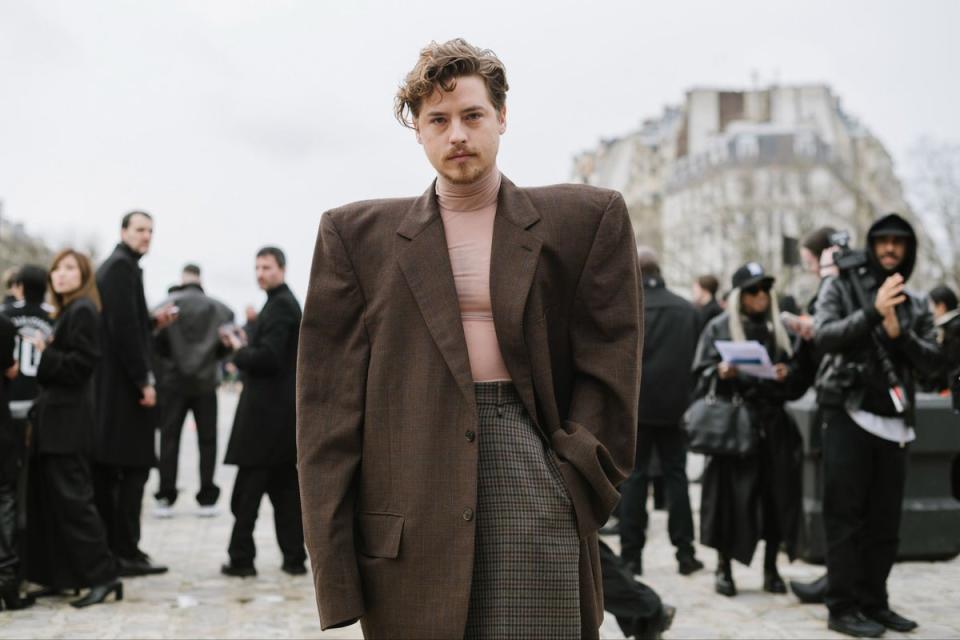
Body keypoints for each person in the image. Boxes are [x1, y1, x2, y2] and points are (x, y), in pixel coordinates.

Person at [297, 39, 642, 638]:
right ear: (419, 132)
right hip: (408, 497)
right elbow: (327, 411)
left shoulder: (586, 220)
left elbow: (614, 363)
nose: (456, 133)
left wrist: (576, 482)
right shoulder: (355, 237)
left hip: (535, 477)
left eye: (472, 115)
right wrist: (333, 568)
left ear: (502, 118)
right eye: (438, 119)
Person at [814, 213, 942, 637]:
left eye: (898, 243)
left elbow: (931, 367)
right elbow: (825, 334)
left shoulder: (919, 302)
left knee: (885, 523)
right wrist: (871, 313)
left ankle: (875, 601)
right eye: (882, 241)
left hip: (897, 424)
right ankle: (842, 606)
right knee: (844, 518)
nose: (890, 248)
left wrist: (897, 330)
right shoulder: (841, 285)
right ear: (872, 245)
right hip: (848, 414)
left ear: (909, 250)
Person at [692, 263, 808, 598]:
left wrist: (788, 374)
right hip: (734, 426)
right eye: (753, 290)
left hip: (773, 425)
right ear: (741, 294)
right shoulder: (718, 327)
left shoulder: (780, 330)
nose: (760, 296)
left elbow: (800, 377)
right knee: (730, 499)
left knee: (776, 498)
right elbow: (699, 374)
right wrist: (720, 372)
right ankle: (724, 566)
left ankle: (771, 567)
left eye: (764, 290)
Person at [24, 249, 121, 608]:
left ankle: (103, 576)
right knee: (52, 503)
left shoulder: (82, 310)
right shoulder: (68, 312)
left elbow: (82, 364)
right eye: (56, 269)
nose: (60, 275)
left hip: (68, 423)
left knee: (74, 502)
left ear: (83, 276)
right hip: (57, 422)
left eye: (69, 269)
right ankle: (60, 577)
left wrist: (45, 353)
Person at [94, 210, 176, 577]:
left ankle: (126, 549)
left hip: (118, 390)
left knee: (129, 473)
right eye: (140, 229)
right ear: (123, 231)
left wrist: (152, 322)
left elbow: (129, 324)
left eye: (151, 231)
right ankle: (123, 552)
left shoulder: (123, 267)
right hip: (123, 392)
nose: (147, 236)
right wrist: (144, 379)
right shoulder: (120, 268)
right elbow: (123, 332)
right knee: (131, 471)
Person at [220, 247, 305, 578]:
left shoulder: (282, 305)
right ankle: (294, 558)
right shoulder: (278, 303)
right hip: (276, 417)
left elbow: (269, 358)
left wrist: (239, 351)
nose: (260, 273)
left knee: (247, 495)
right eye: (256, 267)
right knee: (283, 493)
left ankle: (242, 559)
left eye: (266, 267)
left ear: (281, 269)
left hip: (266, 419)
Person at [619, 248, 702, 577]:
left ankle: (630, 556)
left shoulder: (627, 306)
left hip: (636, 407)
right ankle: (685, 553)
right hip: (676, 408)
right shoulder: (687, 310)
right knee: (676, 478)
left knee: (634, 480)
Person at [153, 264, 234, 518]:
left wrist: (168, 363)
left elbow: (156, 341)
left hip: (174, 383)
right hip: (206, 382)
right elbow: (226, 343)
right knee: (207, 441)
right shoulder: (219, 308)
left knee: (169, 440)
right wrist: (214, 358)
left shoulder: (167, 305)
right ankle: (207, 497)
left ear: (183, 279)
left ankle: (166, 495)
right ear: (200, 279)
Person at [927, 285, 960, 408]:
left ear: (941, 306)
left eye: (931, 306)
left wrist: (952, 389)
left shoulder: (954, 329)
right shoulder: (950, 327)